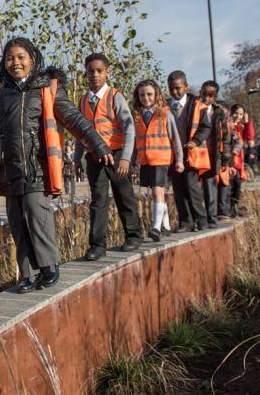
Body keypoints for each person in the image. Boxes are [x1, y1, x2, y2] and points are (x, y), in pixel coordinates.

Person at [0, 37, 112, 294]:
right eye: (10, 58)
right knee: (18, 222)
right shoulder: (0, 94)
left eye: (21, 57)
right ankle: (27, 275)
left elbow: (74, 119)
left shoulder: (47, 88)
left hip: (38, 168)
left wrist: (97, 145)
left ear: (32, 58)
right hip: (9, 170)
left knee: (36, 214)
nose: (15, 62)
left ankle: (49, 266)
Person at [73, 53, 143, 260]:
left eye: (99, 71)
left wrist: (125, 158)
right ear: (86, 74)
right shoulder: (84, 100)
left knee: (124, 195)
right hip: (95, 157)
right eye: (90, 72)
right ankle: (97, 245)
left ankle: (133, 234)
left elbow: (129, 128)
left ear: (107, 72)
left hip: (117, 154)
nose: (95, 75)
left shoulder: (115, 96)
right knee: (98, 200)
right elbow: (80, 132)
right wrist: (77, 157)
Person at [131, 79, 183, 242]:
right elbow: (135, 140)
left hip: (161, 158)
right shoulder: (137, 116)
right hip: (146, 160)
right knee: (155, 191)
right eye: (142, 95)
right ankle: (166, 226)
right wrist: (133, 160)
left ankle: (156, 227)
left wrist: (179, 159)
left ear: (156, 95)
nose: (146, 98)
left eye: (149, 94)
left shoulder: (165, 113)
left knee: (157, 191)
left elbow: (175, 139)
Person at [166, 71, 212, 232]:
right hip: (174, 155)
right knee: (178, 189)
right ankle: (185, 222)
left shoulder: (196, 105)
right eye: (171, 89)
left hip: (190, 153)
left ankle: (201, 220)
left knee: (192, 188)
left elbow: (206, 127)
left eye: (178, 88)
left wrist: (196, 140)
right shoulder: (165, 106)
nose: (175, 92)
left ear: (185, 86)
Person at [197, 80, 232, 225]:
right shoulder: (195, 109)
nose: (206, 98)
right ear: (200, 93)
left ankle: (211, 217)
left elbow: (225, 137)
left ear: (215, 97)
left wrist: (225, 158)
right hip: (198, 154)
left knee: (210, 186)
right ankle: (199, 218)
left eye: (210, 96)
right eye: (204, 94)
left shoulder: (218, 113)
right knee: (196, 188)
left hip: (212, 155)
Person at [229, 104, 249, 216]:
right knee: (230, 185)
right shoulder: (229, 125)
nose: (238, 116)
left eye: (240, 114)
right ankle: (230, 208)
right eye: (236, 113)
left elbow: (249, 137)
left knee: (237, 185)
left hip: (239, 160)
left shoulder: (241, 127)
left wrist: (247, 122)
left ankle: (235, 207)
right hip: (231, 158)